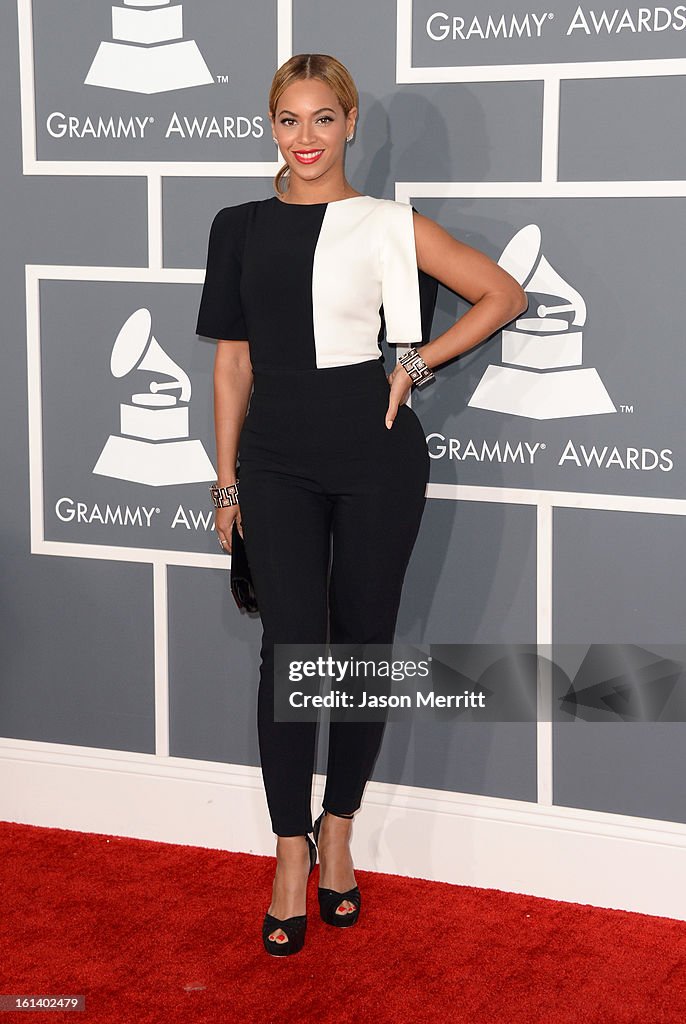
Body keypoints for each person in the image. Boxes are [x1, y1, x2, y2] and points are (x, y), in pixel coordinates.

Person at [195, 53, 527, 957]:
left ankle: (339, 830)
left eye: (323, 120)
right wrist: (225, 483)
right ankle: (288, 854)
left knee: (363, 648)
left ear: (351, 125)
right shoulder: (239, 228)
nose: (305, 139)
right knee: (289, 653)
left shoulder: (386, 224)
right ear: (272, 127)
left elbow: (503, 294)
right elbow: (232, 364)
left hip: (375, 457)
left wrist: (416, 365)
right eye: (288, 120)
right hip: (274, 463)